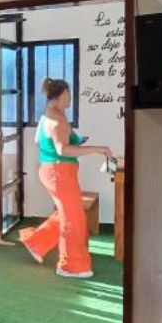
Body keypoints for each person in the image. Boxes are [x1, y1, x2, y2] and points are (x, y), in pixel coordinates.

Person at [20, 78, 113, 279]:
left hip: (55, 170)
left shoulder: (49, 115)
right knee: (73, 217)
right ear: (63, 94)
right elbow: (63, 149)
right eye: (69, 93)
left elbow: (39, 140)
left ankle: (36, 241)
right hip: (58, 172)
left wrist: (71, 142)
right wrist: (96, 149)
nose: (70, 97)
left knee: (69, 212)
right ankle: (70, 265)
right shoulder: (57, 119)